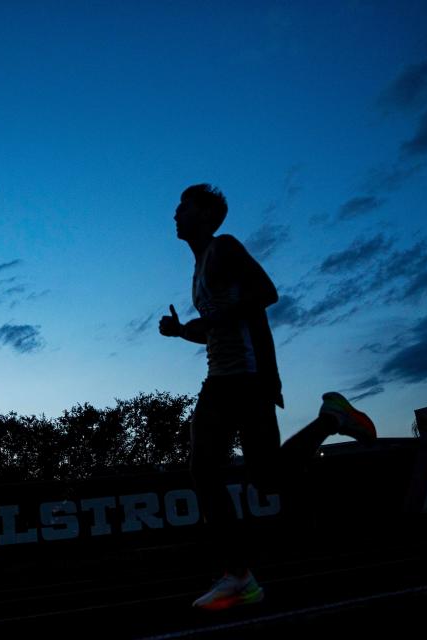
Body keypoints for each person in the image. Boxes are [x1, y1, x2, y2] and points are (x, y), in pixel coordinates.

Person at [158, 183, 377, 611]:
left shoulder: (223, 247)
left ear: (204, 214)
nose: (175, 215)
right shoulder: (200, 266)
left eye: (182, 208)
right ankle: (240, 577)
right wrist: (181, 330)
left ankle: (332, 420)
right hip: (221, 378)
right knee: (216, 470)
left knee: (249, 475)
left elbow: (265, 293)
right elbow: (215, 328)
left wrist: (225, 326)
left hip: (249, 375)